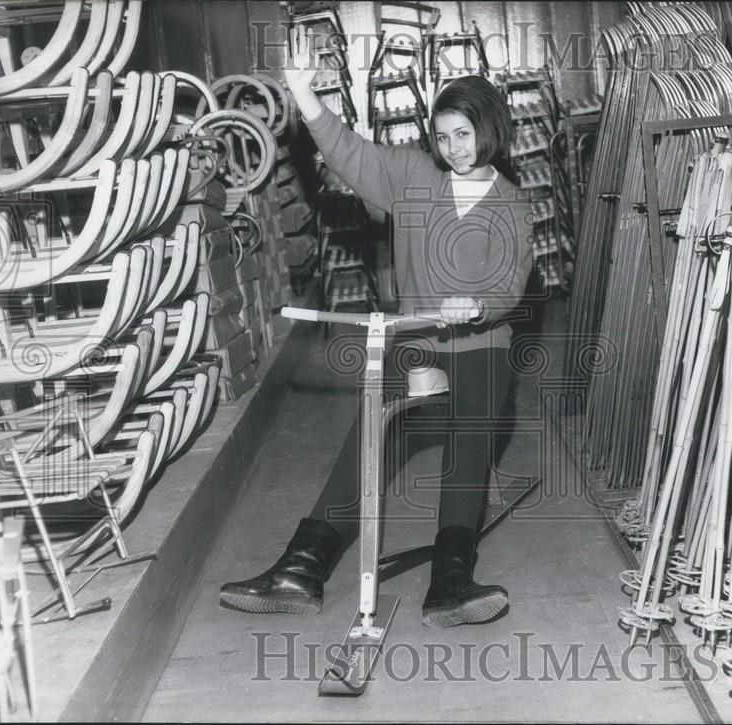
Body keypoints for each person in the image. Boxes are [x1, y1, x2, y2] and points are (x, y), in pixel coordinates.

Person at [219, 27, 533, 627]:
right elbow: (349, 151)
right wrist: (304, 96)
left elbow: (511, 281)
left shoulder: (512, 205)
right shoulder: (414, 177)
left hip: (483, 343)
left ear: (488, 131)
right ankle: (300, 569)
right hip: (416, 342)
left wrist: (478, 304)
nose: (454, 148)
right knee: (367, 442)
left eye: (463, 134)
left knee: (470, 444)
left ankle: (451, 583)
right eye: (443, 137)